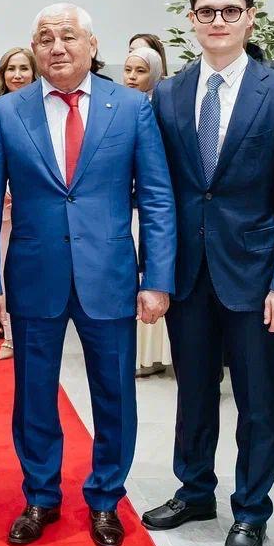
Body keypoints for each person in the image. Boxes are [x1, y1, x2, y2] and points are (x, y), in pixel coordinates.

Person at [0, 3, 176, 546]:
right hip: (33, 275)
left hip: (109, 276)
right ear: (34, 48)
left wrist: (156, 278)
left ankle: (105, 496)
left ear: (92, 45)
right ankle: (40, 495)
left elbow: (157, 198)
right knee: (33, 395)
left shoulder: (130, 108)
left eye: (68, 36)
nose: (56, 47)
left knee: (114, 394)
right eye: (45, 38)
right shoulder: (6, 113)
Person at [142, 0, 274, 546]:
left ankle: (250, 510)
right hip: (189, 272)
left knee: (257, 400)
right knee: (192, 393)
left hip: (255, 274)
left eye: (230, 11)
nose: (218, 20)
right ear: (192, 20)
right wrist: (155, 273)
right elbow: (160, 191)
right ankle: (195, 492)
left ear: (249, 18)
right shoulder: (168, 93)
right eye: (206, 11)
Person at [121, 46, 173, 377]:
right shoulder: (117, 108)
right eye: (127, 70)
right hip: (127, 212)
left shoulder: (163, 111)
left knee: (151, 281)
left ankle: (154, 357)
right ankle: (136, 357)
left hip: (148, 211)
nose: (131, 77)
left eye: (140, 71)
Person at [0, 47, 39, 360]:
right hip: (3, 209)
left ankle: (31, 334)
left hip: (34, 208)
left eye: (24, 68)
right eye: (11, 69)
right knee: (3, 271)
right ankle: (9, 337)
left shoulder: (43, 109)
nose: (17, 75)